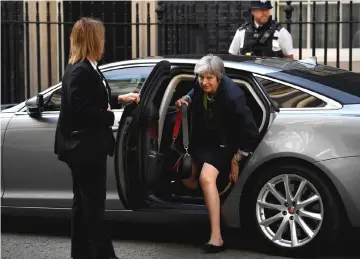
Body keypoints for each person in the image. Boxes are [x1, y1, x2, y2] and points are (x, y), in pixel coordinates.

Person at [175, 54, 260, 253]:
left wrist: (237, 159)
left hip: (224, 144)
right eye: (201, 77)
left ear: (219, 78)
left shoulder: (233, 97)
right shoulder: (201, 83)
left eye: (208, 78)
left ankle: (216, 237)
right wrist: (185, 99)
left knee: (206, 178)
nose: (204, 82)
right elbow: (193, 90)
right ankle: (217, 202)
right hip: (203, 140)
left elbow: (251, 133)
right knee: (186, 177)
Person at [54, 17, 118, 259]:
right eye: (100, 36)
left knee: (82, 205)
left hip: (85, 147)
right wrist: (108, 117)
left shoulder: (87, 66)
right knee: (93, 206)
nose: (104, 40)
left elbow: (92, 97)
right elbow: (80, 110)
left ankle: (80, 253)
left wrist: (118, 100)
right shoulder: (80, 69)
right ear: (93, 39)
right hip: (85, 149)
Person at [228, 0, 294, 59]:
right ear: (252, 11)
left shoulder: (281, 32)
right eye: (261, 10)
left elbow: (289, 58)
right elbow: (232, 56)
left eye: (267, 10)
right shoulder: (241, 32)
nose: (265, 13)